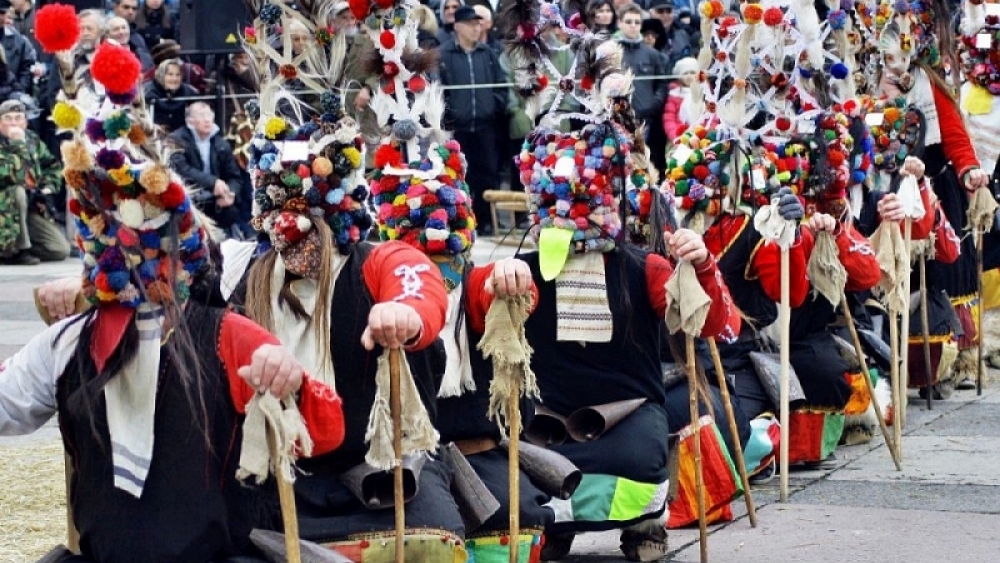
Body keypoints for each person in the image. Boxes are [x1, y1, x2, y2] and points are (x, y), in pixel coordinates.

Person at [2, 48, 345, 561]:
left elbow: (322, 435)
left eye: (147, 233)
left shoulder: (230, 335)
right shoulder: (69, 341)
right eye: (113, 232)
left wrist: (290, 379)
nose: (132, 250)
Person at [438, 5, 507, 234]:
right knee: (458, 176)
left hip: (486, 125)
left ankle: (486, 221)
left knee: (487, 173)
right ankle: (460, 221)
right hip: (458, 129)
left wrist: (494, 106)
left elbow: (500, 84)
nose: (476, 28)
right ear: (457, 26)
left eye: (478, 24)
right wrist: (449, 117)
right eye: (471, 24)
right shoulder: (443, 54)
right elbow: (439, 91)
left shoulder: (487, 53)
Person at [0, 98, 69, 264]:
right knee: (18, 192)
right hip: (5, 206)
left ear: (25, 121)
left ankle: (12, 245)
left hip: (28, 206)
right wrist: (17, 143)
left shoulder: (32, 139)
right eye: (8, 118)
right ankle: (18, 251)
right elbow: (11, 174)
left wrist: (46, 188)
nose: (14, 122)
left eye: (18, 117)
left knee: (59, 250)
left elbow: (51, 165)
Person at [167, 102, 243, 235]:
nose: (207, 119)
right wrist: (213, 182)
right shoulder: (175, 140)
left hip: (215, 201)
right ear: (190, 121)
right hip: (190, 199)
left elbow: (234, 177)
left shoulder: (221, 143)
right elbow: (182, 170)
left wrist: (230, 193)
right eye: (201, 115)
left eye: (209, 114)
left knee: (231, 212)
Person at [617, 4, 669, 174]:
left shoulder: (652, 54)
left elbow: (661, 83)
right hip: (618, 117)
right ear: (620, 23)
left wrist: (654, 104)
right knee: (619, 162)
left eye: (637, 22)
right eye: (628, 21)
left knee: (641, 161)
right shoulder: (612, 52)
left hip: (645, 118)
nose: (633, 25)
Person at [144, 58, 197, 133]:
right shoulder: (148, 91)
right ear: (161, 75)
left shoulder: (187, 90)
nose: (174, 79)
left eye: (178, 75)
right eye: (170, 74)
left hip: (180, 135)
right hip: (155, 134)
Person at [661, 56, 697, 141]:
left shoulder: (705, 94)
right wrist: (675, 135)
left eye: (692, 72)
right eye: (685, 73)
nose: (689, 76)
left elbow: (712, 117)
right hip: (680, 137)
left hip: (701, 137)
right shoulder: (674, 95)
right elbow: (669, 118)